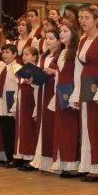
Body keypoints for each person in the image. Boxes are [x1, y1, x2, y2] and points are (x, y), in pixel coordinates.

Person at [72, 7, 98, 180]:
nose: (83, 21)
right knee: (86, 125)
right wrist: (77, 92)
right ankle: (87, 163)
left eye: (87, 18)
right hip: (85, 83)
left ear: (96, 20)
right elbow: (78, 68)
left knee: (97, 125)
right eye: (81, 18)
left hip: (96, 85)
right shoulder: (82, 40)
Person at [53, 24, 82, 177]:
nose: (61, 33)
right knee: (62, 128)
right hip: (61, 92)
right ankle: (63, 161)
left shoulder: (75, 52)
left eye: (65, 31)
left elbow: (77, 74)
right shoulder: (62, 51)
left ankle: (73, 164)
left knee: (71, 128)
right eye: (60, 31)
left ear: (73, 33)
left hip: (70, 92)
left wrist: (75, 95)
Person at [32, 31, 60, 174]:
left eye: (51, 38)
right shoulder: (43, 56)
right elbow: (37, 76)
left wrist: (53, 72)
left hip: (53, 93)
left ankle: (54, 162)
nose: (48, 41)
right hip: (42, 93)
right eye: (46, 38)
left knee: (52, 127)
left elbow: (65, 73)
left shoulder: (60, 55)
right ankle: (44, 162)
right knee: (44, 127)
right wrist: (33, 77)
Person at [0, 43, 21, 167]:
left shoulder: (17, 68)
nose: (4, 55)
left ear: (14, 54)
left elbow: (18, 86)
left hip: (12, 101)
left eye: (7, 52)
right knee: (4, 131)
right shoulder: (2, 68)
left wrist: (15, 104)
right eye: (3, 52)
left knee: (12, 131)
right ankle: (8, 157)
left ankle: (14, 157)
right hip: (2, 101)